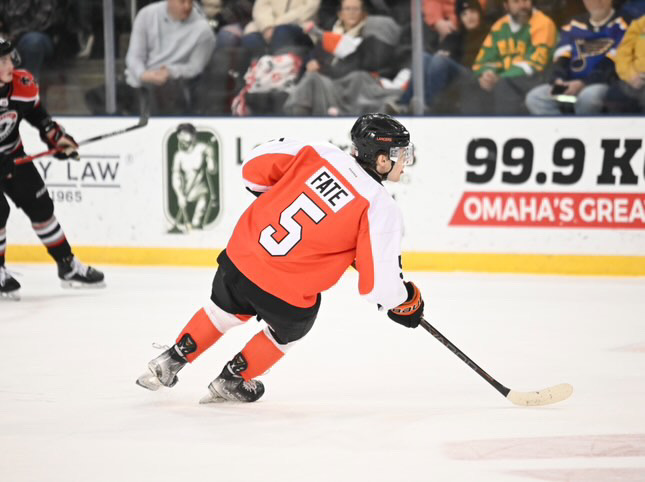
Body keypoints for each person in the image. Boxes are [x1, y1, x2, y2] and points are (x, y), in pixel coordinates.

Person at [136, 113, 425, 403]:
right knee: (292, 328)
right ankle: (233, 378)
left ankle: (171, 358)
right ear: (382, 160)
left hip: (241, 256)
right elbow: (379, 288)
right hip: (286, 291)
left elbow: (253, 168)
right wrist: (406, 301)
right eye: (401, 153)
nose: (405, 161)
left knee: (221, 311)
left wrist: (282, 195)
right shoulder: (380, 205)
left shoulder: (320, 152)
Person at [0, 38, 104, 300]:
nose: (10, 64)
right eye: (2, 61)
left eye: (10, 58)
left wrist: (57, 139)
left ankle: (67, 266)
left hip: (13, 155)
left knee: (42, 207)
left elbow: (39, 117)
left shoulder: (22, 84)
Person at [525, 0, 630, 115]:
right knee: (535, 97)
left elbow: (612, 64)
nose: (596, 2)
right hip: (569, 85)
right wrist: (558, 80)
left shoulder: (624, 23)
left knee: (589, 97)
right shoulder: (573, 24)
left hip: (603, 84)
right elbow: (562, 58)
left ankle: (586, 132)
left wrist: (584, 83)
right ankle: (562, 130)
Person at [459, 0, 557, 114]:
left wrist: (500, 76)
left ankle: (506, 129)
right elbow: (482, 61)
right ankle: (474, 129)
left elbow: (536, 63)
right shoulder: (499, 26)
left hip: (538, 79)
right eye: (516, 2)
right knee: (471, 83)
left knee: (504, 85)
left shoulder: (543, 23)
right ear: (506, 6)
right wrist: (487, 74)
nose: (522, 6)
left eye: (526, 1)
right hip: (505, 79)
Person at [170, 123, 217, 230]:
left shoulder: (202, 149)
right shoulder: (178, 156)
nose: (183, 139)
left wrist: (210, 159)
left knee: (197, 220)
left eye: (186, 135)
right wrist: (179, 195)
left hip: (202, 190)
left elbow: (212, 169)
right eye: (181, 135)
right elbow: (175, 176)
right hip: (187, 192)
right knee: (187, 222)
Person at [606, 13, 645, 112]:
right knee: (614, 95)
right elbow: (623, 53)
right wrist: (630, 75)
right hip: (637, 77)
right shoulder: (640, 24)